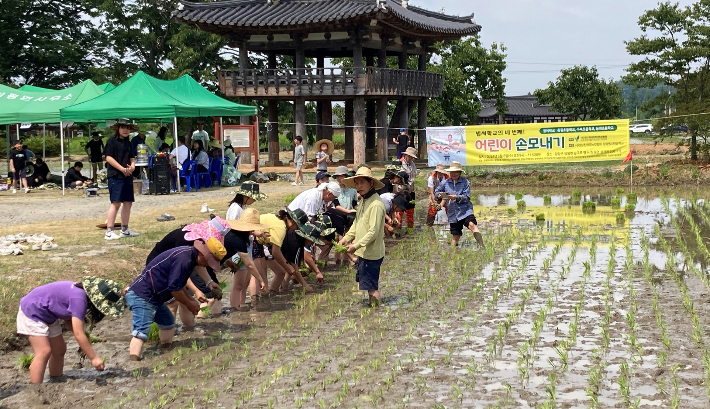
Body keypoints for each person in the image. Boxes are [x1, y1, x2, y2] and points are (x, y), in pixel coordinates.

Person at [126, 240, 226, 360]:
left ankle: (165, 351)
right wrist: (189, 303)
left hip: (155, 297)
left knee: (168, 323)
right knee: (141, 332)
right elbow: (174, 289)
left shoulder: (189, 257)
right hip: (142, 295)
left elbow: (179, 284)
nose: (207, 265)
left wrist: (190, 299)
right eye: (208, 261)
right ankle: (134, 364)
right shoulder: (184, 259)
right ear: (202, 254)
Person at [17, 277, 124, 383]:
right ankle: (36, 388)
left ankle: (56, 380)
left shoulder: (80, 295)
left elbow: (70, 320)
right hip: (32, 311)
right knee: (44, 351)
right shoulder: (79, 300)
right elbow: (78, 333)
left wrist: (85, 341)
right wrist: (94, 358)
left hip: (47, 314)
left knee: (59, 349)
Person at [145, 218, 230, 327]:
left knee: (185, 300)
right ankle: (168, 331)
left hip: (175, 268)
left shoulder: (199, 243)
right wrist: (196, 290)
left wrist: (209, 282)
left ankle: (189, 329)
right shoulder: (185, 242)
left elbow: (199, 264)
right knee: (172, 302)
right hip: (159, 267)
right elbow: (180, 274)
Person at [339, 167, 386, 306]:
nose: (359, 187)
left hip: (371, 253)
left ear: (371, 183)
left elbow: (374, 232)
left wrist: (355, 245)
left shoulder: (376, 204)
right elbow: (357, 223)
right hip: (364, 252)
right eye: (356, 184)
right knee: (368, 286)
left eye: (362, 183)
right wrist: (346, 238)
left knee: (372, 288)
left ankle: (375, 313)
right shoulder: (364, 201)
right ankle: (374, 310)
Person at [254, 208, 310, 294]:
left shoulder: (279, 221)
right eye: (297, 227)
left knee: (279, 272)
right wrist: (288, 267)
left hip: (260, 242)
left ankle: (271, 296)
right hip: (254, 240)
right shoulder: (281, 227)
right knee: (260, 277)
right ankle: (258, 301)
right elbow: (275, 252)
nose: (295, 229)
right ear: (293, 222)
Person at [223, 208, 270, 310]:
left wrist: (261, 234)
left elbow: (254, 233)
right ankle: (234, 309)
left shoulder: (244, 233)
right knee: (238, 285)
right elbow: (249, 264)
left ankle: (241, 305)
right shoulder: (238, 238)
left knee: (244, 284)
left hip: (245, 255)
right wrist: (260, 280)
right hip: (239, 256)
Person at [434, 161, 484, 247]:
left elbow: (467, 197)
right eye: (452, 172)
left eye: (456, 172)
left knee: (472, 225)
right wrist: (439, 195)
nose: (453, 174)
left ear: (460, 172)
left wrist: (456, 197)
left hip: (465, 210)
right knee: (456, 235)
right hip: (453, 212)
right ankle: (453, 253)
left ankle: (482, 246)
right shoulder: (445, 182)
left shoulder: (465, 182)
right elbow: (436, 191)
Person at [104, 119, 139, 240]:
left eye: (128, 128)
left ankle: (124, 229)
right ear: (118, 128)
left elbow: (132, 158)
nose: (125, 130)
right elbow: (108, 158)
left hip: (127, 175)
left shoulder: (128, 142)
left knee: (128, 202)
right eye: (123, 127)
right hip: (115, 175)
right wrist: (122, 169)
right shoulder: (111, 141)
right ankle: (109, 231)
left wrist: (132, 167)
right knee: (116, 203)